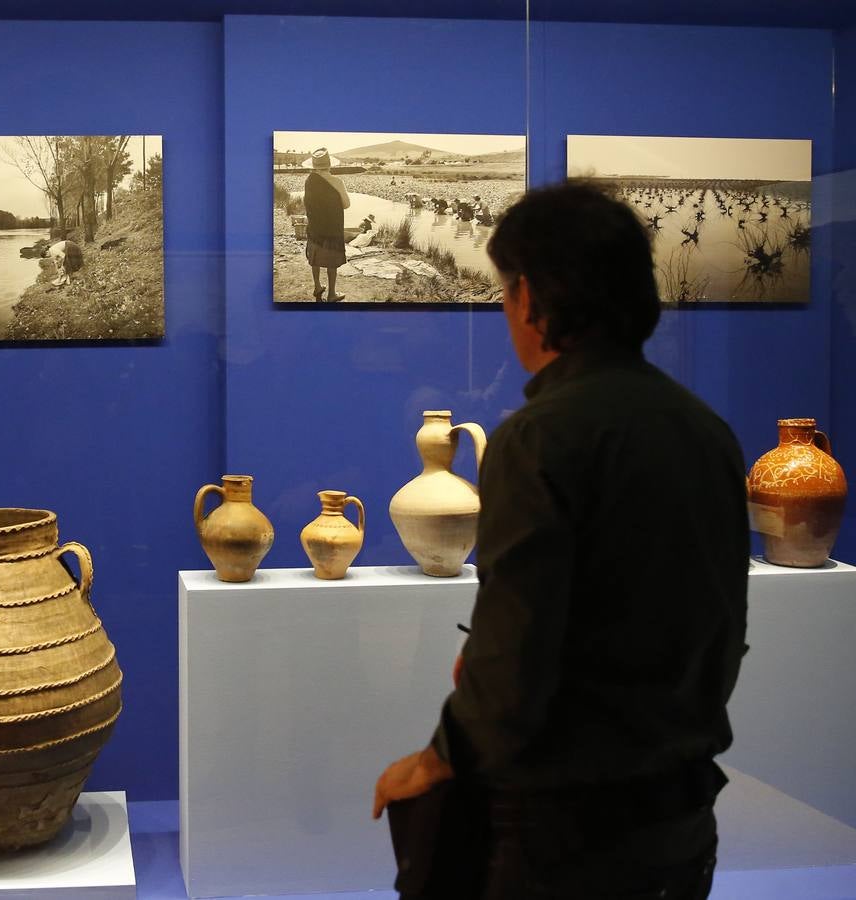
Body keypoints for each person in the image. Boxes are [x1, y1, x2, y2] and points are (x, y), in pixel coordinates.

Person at [371, 181, 749, 900]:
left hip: (566, 828)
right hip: (682, 809)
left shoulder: (540, 437)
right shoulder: (706, 430)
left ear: (535, 301)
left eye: (507, 289)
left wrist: (438, 757)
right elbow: (720, 630)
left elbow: (517, 650)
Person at [303, 148, 350, 301]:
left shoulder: (309, 180)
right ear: (329, 164)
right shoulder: (337, 182)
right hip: (332, 229)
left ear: (314, 165)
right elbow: (346, 204)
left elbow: (308, 203)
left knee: (314, 258)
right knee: (332, 262)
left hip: (315, 227)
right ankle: (331, 294)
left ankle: (317, 287)